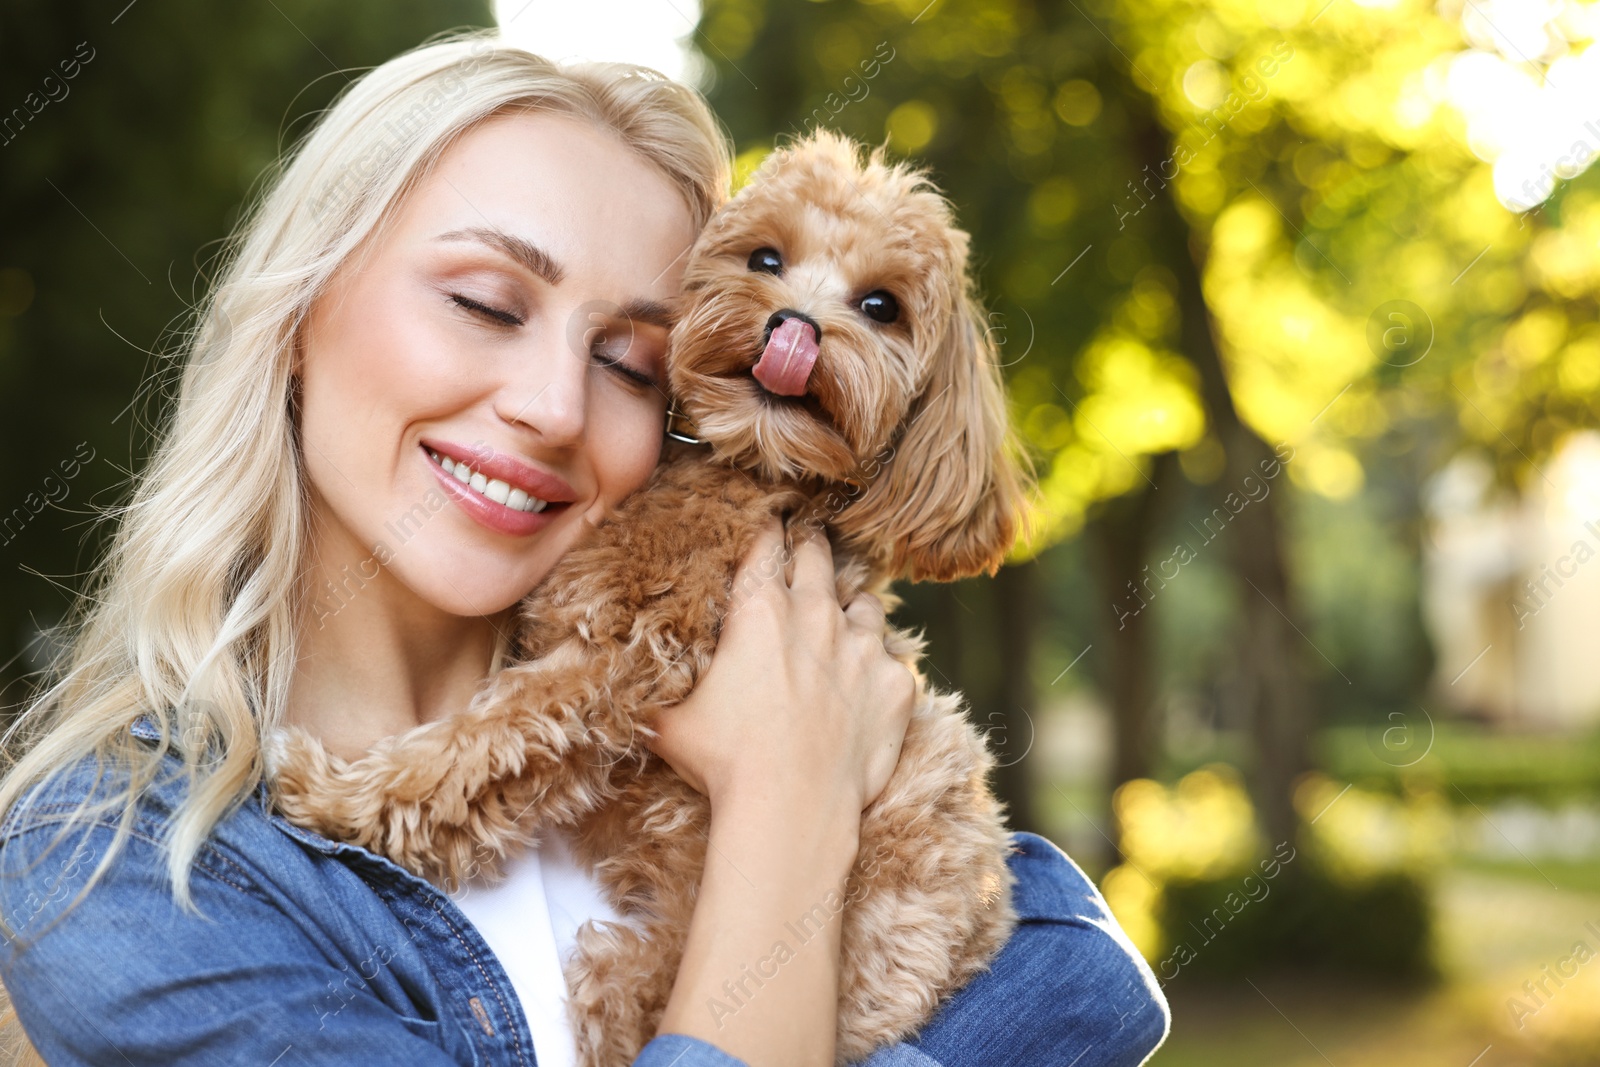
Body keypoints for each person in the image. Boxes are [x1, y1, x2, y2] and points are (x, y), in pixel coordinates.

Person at [0, 31, 1169, 1067]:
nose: (555, 406)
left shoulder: (768, 681)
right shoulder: (110, 871)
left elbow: (1088, 974)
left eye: (630, 362)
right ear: (298, 314)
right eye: (487, 303)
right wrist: (783, 802)